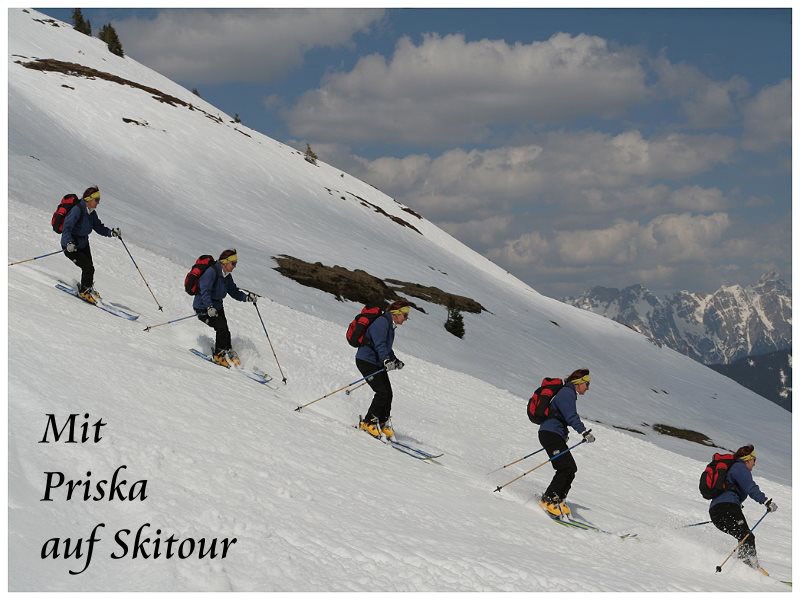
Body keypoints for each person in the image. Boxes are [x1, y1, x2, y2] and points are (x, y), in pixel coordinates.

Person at [709, 445, 777, 573]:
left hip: (716, 513)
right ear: (748, 459)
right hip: (727, 508)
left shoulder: (733, 469)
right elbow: (750, 487)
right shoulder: (739, 467)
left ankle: (743, 567)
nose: (754, 464)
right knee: (747, 536)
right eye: (754, 460)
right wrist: (766, 501)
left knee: (743, 536)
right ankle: (752, 569)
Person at [537, 368, 595, 517]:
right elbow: (571, 416)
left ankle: (558, 499)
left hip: (553, 434)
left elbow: (561, 416)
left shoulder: (568, 393)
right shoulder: (567, 393)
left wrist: (563, 434)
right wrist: (584, 432)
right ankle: (548, 499)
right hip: (550, 434)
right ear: (579, 382)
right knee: (565, 467)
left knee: (571, 468)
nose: (588, 388)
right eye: (587, 384)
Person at [355, 299, 410, 439]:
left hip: (376, 363)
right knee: (381, 392)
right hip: (366, 360)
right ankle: (368, 422)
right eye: (405, 315)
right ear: (397, 313)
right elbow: (379, 344)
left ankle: (382, 422)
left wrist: (395, 361)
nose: (406, 319)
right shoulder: (381, 323)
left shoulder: (389, 325)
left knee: (388, 393)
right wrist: (386, 360)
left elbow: (386, 348)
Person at [193, 248, 257, 367]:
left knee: (225, 329)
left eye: (236, 263)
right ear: (225, 262)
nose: (235, 266)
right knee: (221, 327)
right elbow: (204, 291)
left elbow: (233, 291)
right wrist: (209, 307)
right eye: (233, 263)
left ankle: (227, 349)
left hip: (217, 307)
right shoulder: (212, 272)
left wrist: (247, 298)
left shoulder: (227, 276)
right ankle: (218, 354)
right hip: (203, 307)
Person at [60, 186, 121, 304]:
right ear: (89, 199)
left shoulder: (92, 213)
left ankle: (87, 287)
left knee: (89, 267)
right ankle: (84, 291)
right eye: (96, 200)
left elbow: (98, 227)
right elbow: (67, 228)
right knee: (88, 267)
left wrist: (111, 233)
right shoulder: (78, 210)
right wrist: (68, 243)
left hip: (83, 243)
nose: (98, 202)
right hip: (71, 246)